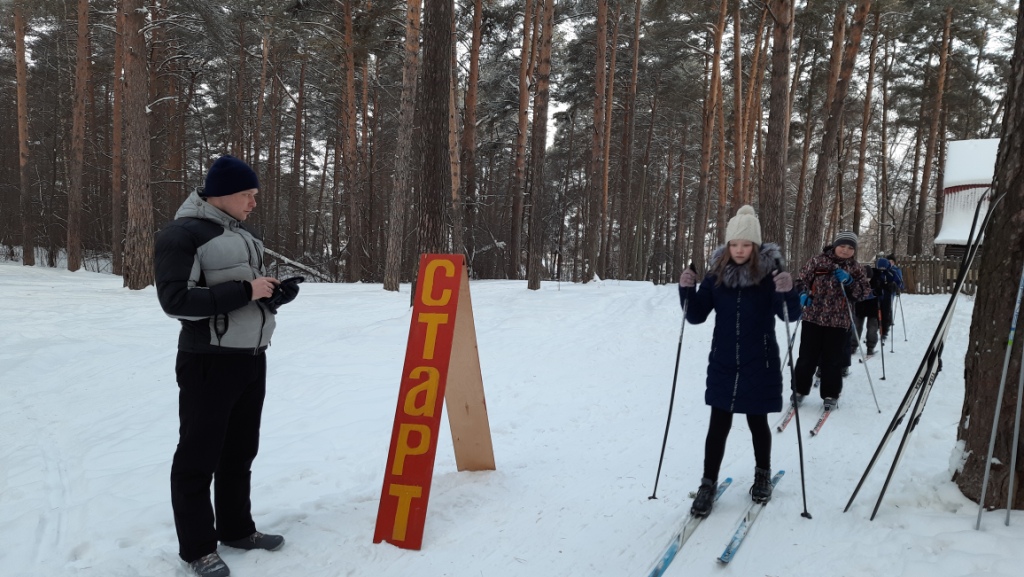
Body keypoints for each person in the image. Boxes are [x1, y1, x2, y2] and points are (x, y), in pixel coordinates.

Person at [156, 155, 298, 577]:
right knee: (197, 458)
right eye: (247, 195)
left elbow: (243, 293)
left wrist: (272, 295)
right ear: (221, 194)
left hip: (251, 357)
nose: (253, 202)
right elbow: (175, 302)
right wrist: (246, 291)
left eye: (255, 194)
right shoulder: (182, 234)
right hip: (207, 362)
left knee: (239, 451)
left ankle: (237, 529)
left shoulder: (244, 234)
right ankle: (198, 548)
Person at [677, 205, 801, 517]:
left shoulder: (769, 277)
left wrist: (788, 291)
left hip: (760, 362)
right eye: (734, 244)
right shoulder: (715, 277)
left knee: (757, 423)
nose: (740, 250)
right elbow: (695, 316)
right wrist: (686, 290)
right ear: (728, 245)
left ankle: (762, 475)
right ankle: (708, 484)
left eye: (746, 244)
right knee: (718, 426)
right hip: (723, 362)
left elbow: (790, 315)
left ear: (755, 246)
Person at [792, 231, 871, 410]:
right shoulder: (817, 261)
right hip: (813, 318)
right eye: (842, 246)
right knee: (806, 357)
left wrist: (850, 281)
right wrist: (803, 294)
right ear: (835, 245)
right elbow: (800, 280)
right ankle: (799, 389)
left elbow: (863, 293)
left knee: (833, 360)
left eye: (850, 248)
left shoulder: (856, 268)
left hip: (839, 321)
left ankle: (830, 393)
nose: (845, 250)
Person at [850, 264, 880, 357]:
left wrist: (877, 293)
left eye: (868, 278)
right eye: (865, 278)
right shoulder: (857, 281)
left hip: (872, 308)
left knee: (872, 328)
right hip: (860, 308)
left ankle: (870, 347)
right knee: (857, 327)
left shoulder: (876, 281)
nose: (867, 280)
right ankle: (853, 345)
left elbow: (880, 292)